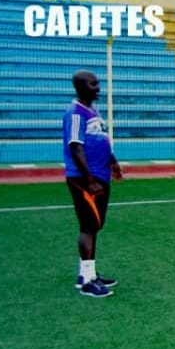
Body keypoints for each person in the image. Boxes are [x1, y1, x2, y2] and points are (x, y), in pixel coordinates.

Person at [63, 70, 122, 298]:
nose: (98, 88)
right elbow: (75, 147)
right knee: (89, 225)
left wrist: (113, 162)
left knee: (95, 224)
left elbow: (100, 139)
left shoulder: (92, 111)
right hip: (85, 179)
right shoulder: (76, 114)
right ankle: (87, 282)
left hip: (100, 175)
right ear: (80, 87)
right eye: (93, 84)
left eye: (97, 83)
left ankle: (87, 273)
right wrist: (88, 180)